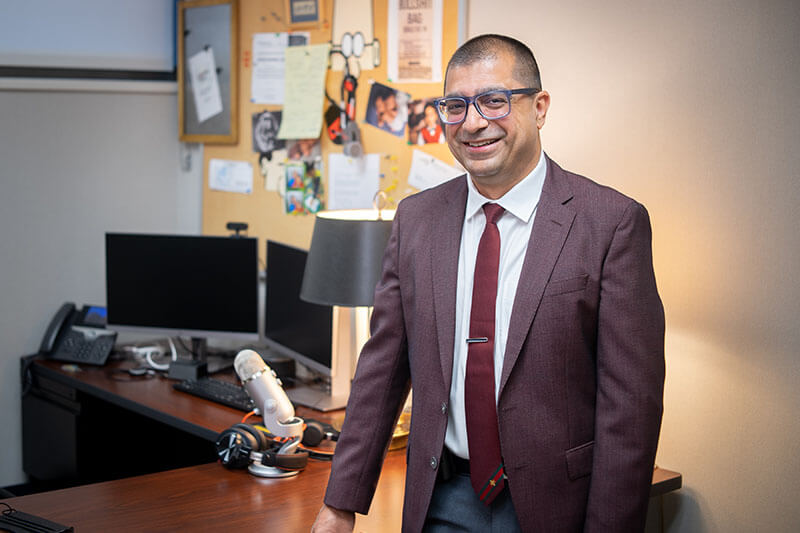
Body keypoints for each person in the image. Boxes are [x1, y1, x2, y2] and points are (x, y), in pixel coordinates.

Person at [312, 34, 664, 532]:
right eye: (455, 106)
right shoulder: (417, 220)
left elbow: (630, 412)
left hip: (557, 508)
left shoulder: (610, 224)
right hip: (442, 499)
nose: (473, 123)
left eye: (494, 101)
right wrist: (339, 502)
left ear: (539, 108)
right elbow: (382, 370)